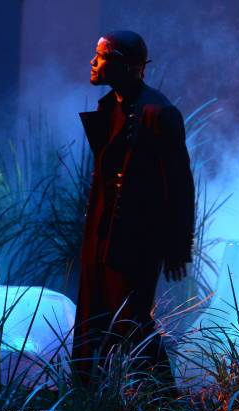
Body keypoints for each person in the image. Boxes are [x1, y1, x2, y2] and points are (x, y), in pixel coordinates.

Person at [71, 30, 195, 387]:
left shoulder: (159, 113)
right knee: (91, 320)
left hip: (136, 240)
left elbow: (180, 184)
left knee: (132, 322)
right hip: (100, 235)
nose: (94, 61)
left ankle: (164, 404)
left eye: (103, 55)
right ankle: (86, 401)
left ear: (127, 66)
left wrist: (178, 247)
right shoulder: (109, 108)